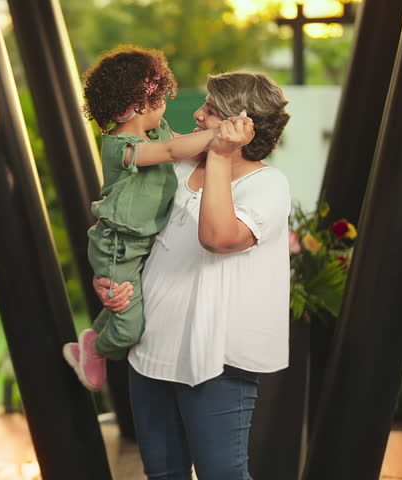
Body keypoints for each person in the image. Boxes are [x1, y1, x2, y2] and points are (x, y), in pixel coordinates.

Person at [97, 71, 292, 480]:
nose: (198, 115)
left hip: (215, 363)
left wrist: (220, 155)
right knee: (163, 473)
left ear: (242, 125)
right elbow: (132, 233)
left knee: (221, 473)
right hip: (150, 352)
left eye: (210, 110)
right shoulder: (178, 168)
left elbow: (217, 237)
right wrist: (111, 280)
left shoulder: (268, 185)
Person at [60, 45, 253, 392]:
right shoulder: (119, 146)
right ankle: (95, 348)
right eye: (162, 98)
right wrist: (217, 134)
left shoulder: (157, 130)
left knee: (126, 303)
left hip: (145, 243)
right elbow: (168, 152)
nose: (165, 106)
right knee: (129, 327)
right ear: (140, 105)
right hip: (118, 246)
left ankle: (100, 331)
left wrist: (220, 147)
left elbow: (180, 144)